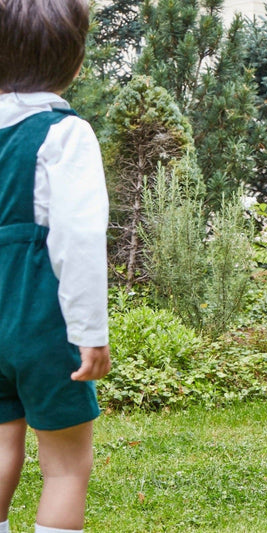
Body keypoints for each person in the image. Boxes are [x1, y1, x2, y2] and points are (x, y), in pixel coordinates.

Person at [0, 1, 111, 532]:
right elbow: (79, 239)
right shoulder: (64, 133)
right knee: (65, 468)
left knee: (0, 450)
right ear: (75, 60)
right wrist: (90, 333)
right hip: (41, 324)